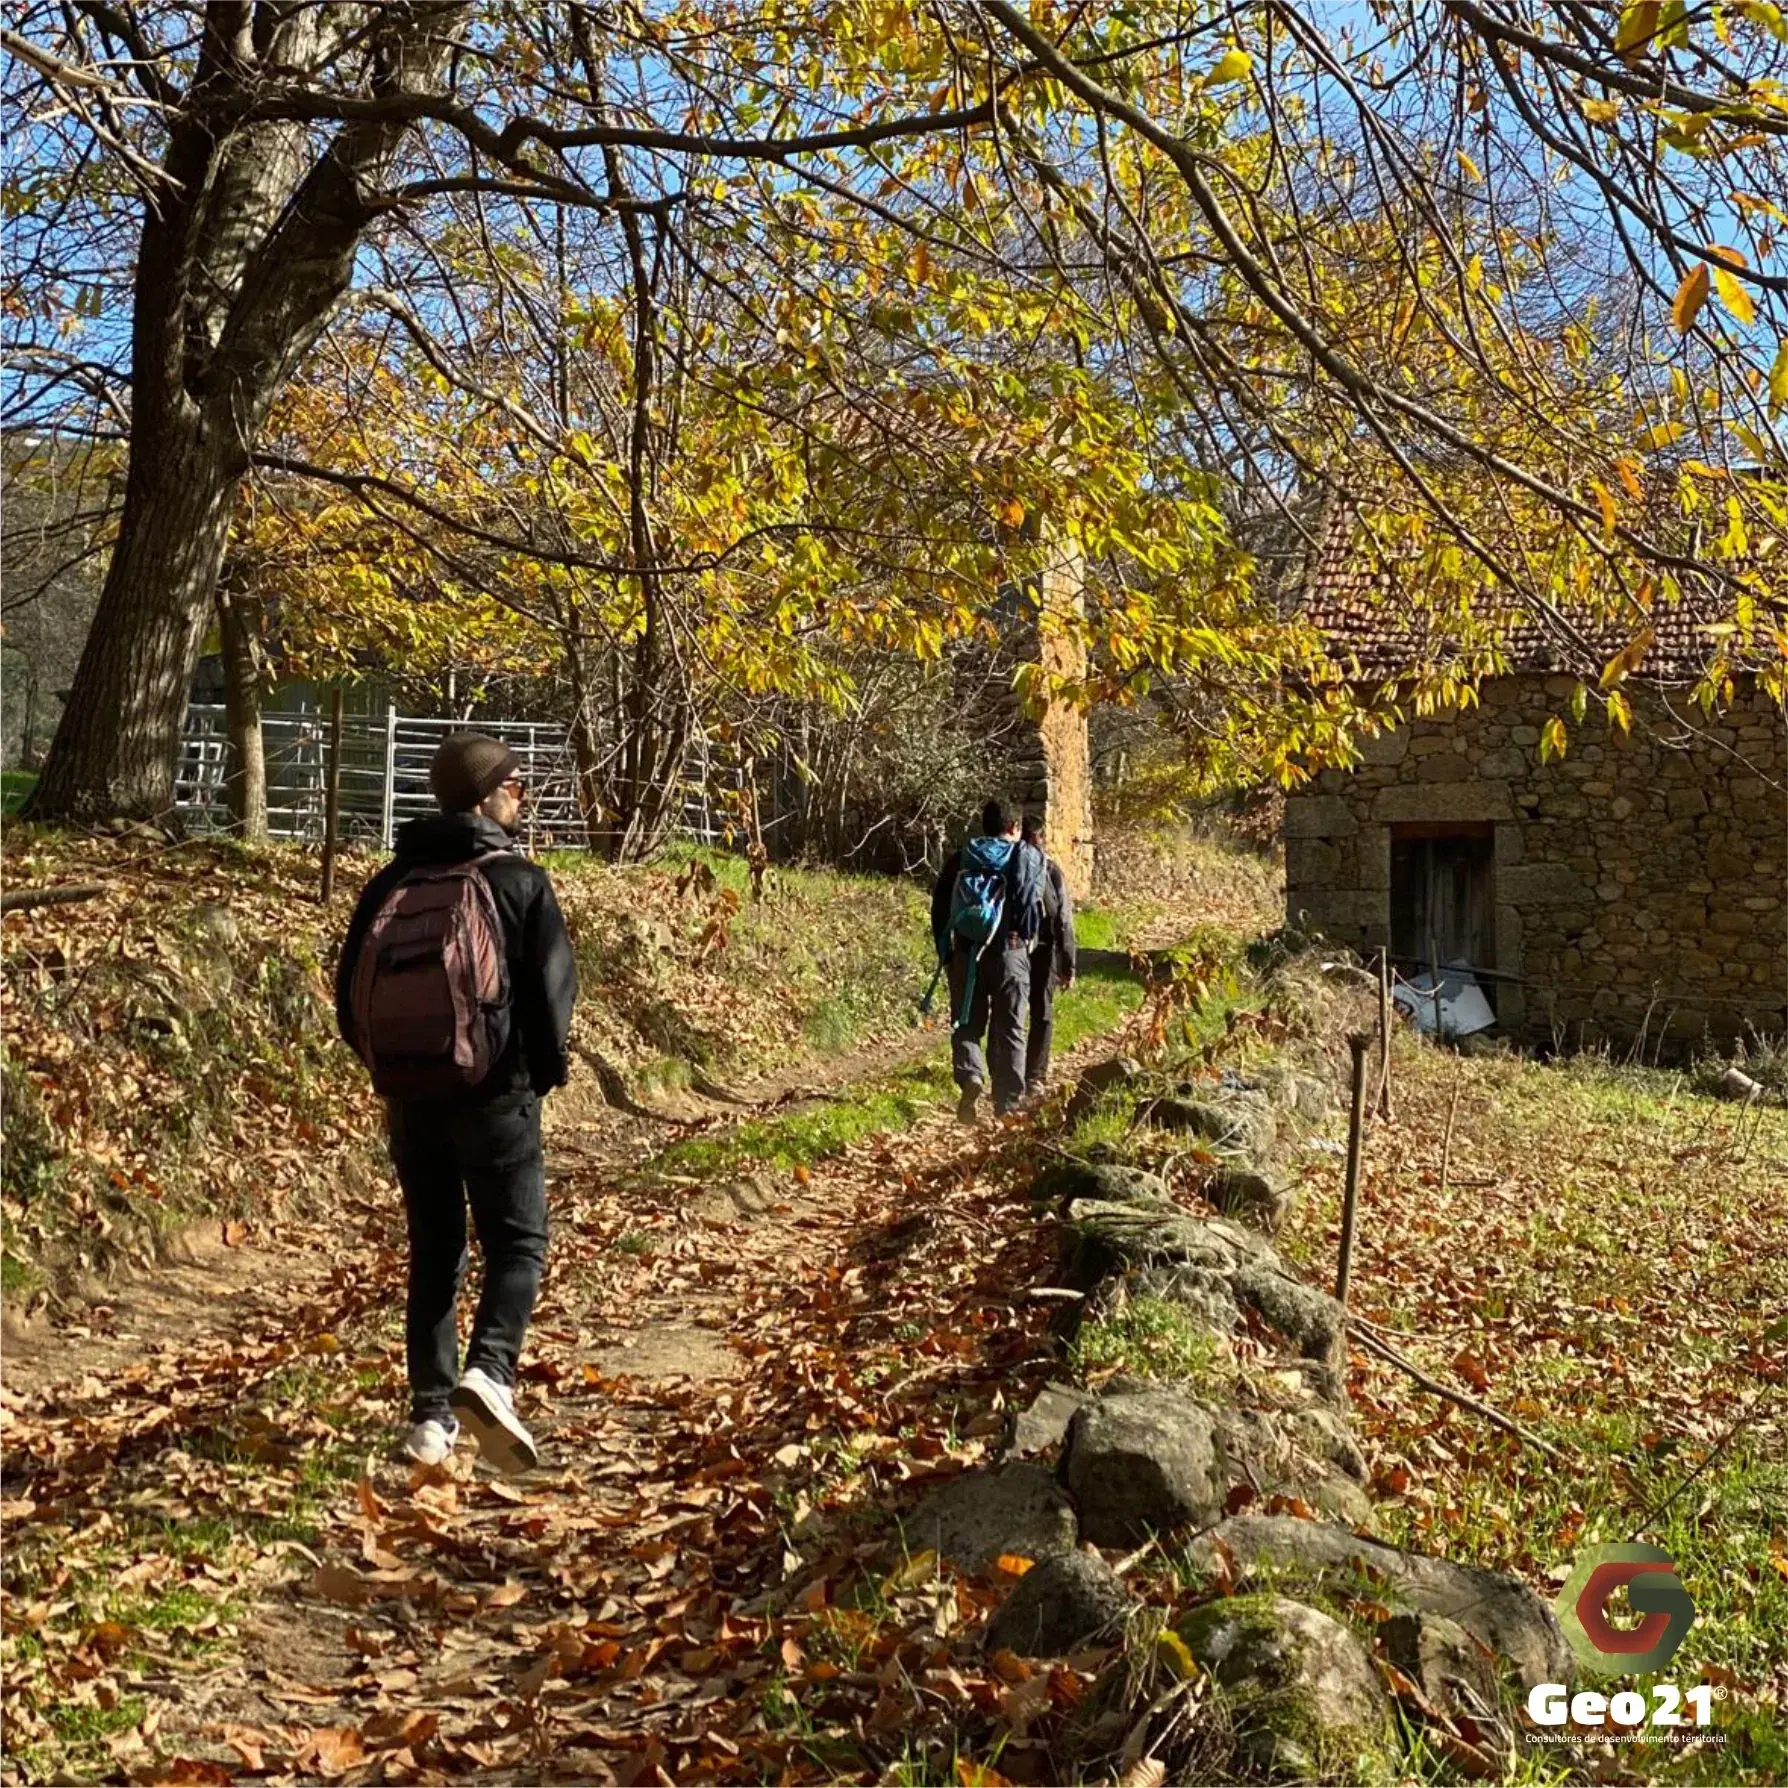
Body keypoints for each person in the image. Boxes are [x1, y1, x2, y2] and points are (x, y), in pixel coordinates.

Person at [336, 733, 577, 1473]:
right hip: (496, 1095)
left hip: (410, 1097)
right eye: (515, 783)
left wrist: (398, 1068)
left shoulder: (390, 883)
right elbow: (550, 997)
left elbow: (350, 999)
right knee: (518, 1241)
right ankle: (492, 1373)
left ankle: (430, 1421)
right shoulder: (518, 880)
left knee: (435, 1251)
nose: (523, 795)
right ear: (485, 796)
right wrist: (537, 1078)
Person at [930, 799, 1046, 1121]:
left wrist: (948, 955)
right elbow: (1033, 907)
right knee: (1010, 1027)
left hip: (967, 953)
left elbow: (939, 908)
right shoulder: (1026, 857)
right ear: (1014, 827)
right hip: (1010, 951)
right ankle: (1007, 1105)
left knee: (966, 1024)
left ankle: (970, 1076)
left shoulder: (962, 858)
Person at [1021, 814, 1077, 1101]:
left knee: (1012, 1014)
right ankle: (1035, 1077)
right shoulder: (1050, 870)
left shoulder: (1008, 867)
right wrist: (1068, 963)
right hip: (1044, 949)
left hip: (1013, 949)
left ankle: (1008, 1076)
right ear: (1039, 837)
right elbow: (1064, 920)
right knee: (1042, 1013)